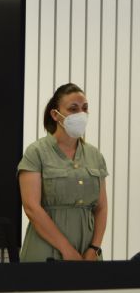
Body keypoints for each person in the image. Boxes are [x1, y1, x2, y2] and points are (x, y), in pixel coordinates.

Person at [18, 83, 108, 262]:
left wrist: (94, 248)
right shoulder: (36, 152)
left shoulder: (94, 155)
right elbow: (31, 207)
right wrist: (66, 250)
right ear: (55, 114)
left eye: (85, 109)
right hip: (46, 250)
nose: (80, 114)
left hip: (87, 252)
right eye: (73, 109)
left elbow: (101, 207)